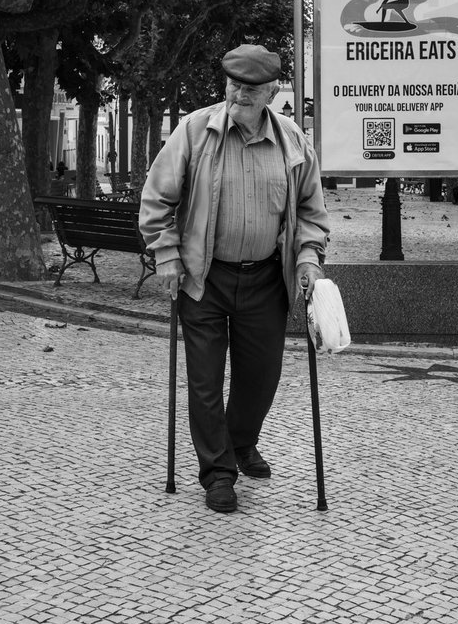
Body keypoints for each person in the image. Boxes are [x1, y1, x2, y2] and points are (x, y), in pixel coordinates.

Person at [139, 43, 330, 515]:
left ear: (272, 92)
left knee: (261, 377)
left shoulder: (291, 140)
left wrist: (308, 257)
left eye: (250, 88)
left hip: (266, 277)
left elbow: (310, 210)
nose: (239, 94)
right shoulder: (195, 131)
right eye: (233, 85)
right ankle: (219, 473)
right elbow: (157, 200)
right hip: (205, 276)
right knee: (205, 381)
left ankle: (241, 440)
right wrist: (166, 256)